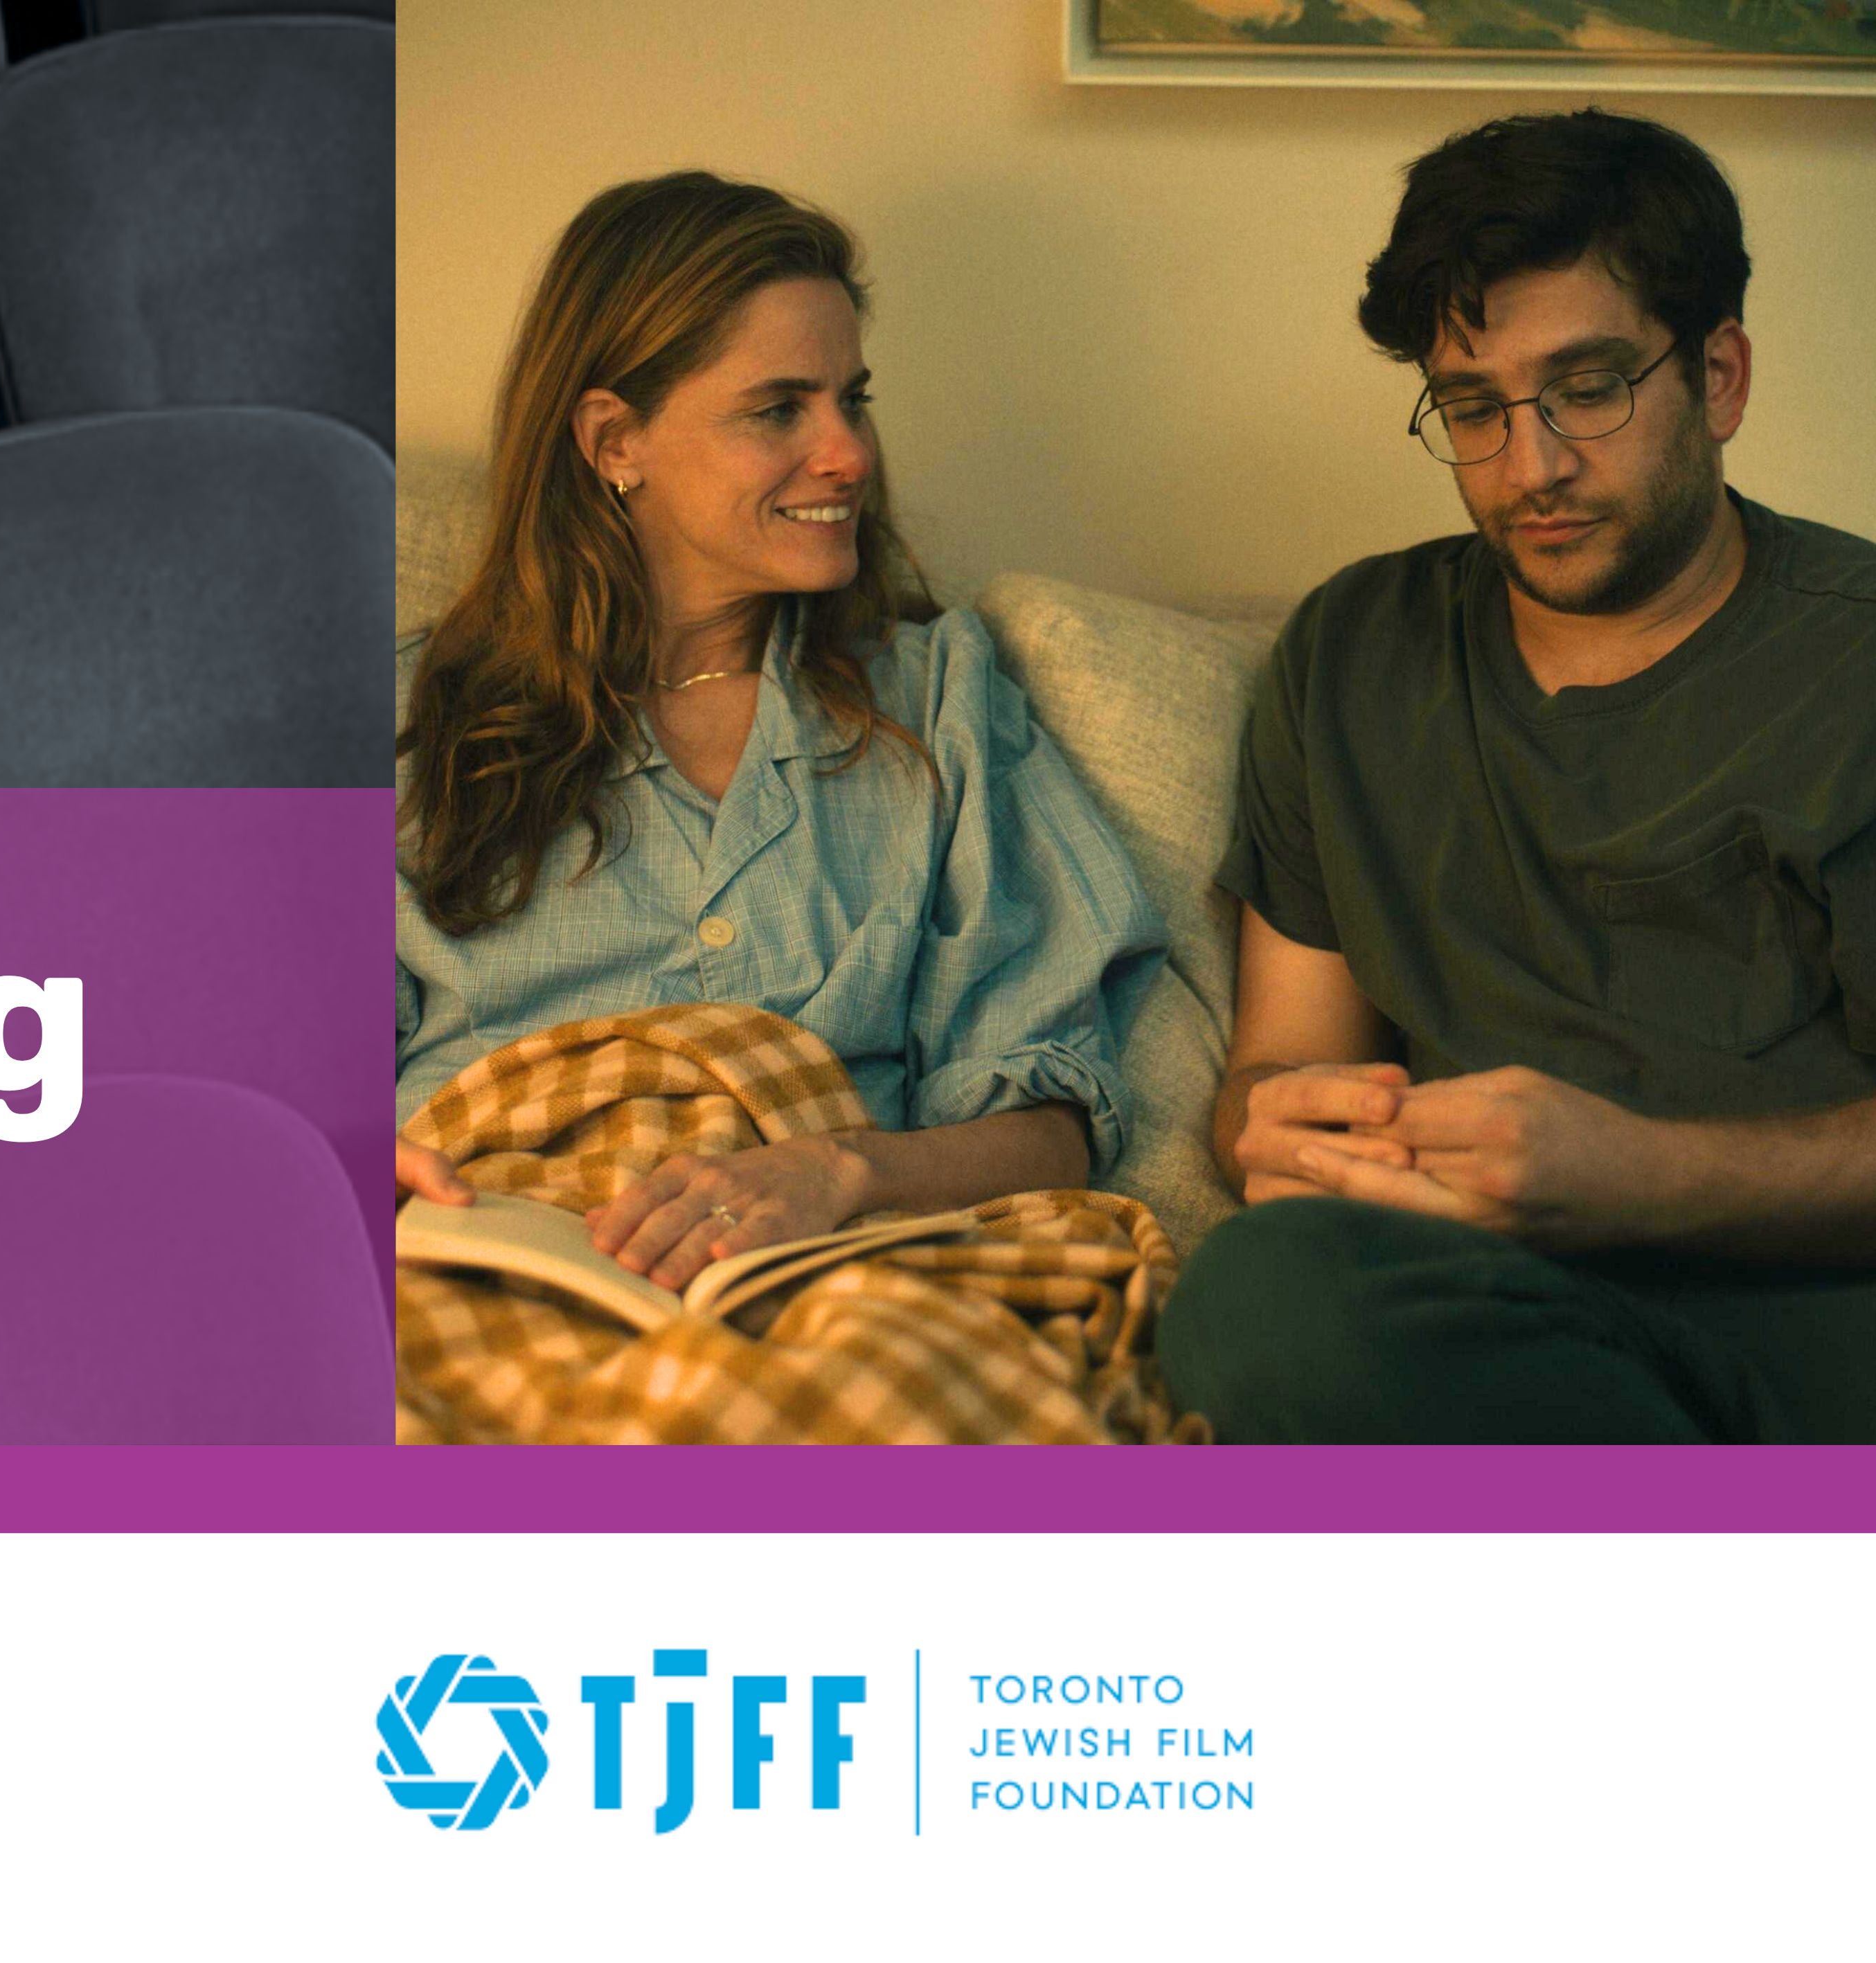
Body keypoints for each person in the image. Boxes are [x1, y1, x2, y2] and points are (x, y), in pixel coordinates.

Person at [1166, 109, 1876, 1442]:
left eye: (1589, 389)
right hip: (1492, 1314)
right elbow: (1283, 1058)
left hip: (1820, 1311)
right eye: (1474, 407)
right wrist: (1281, 1129)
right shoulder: (1351, 650)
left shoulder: (1852, 659)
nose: (1530, 466)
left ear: (1719, 377)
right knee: (1254, 1295)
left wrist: (1639, 1175)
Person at [394, 170, 1162, 1292]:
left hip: (817, 1276)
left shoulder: (939, 704)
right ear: (615, 440)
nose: (849, 454)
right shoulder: (403, 728)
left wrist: (842, 1171)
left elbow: (1054, 1124)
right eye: (779, 410)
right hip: (495, 1263)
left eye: (854, 398)